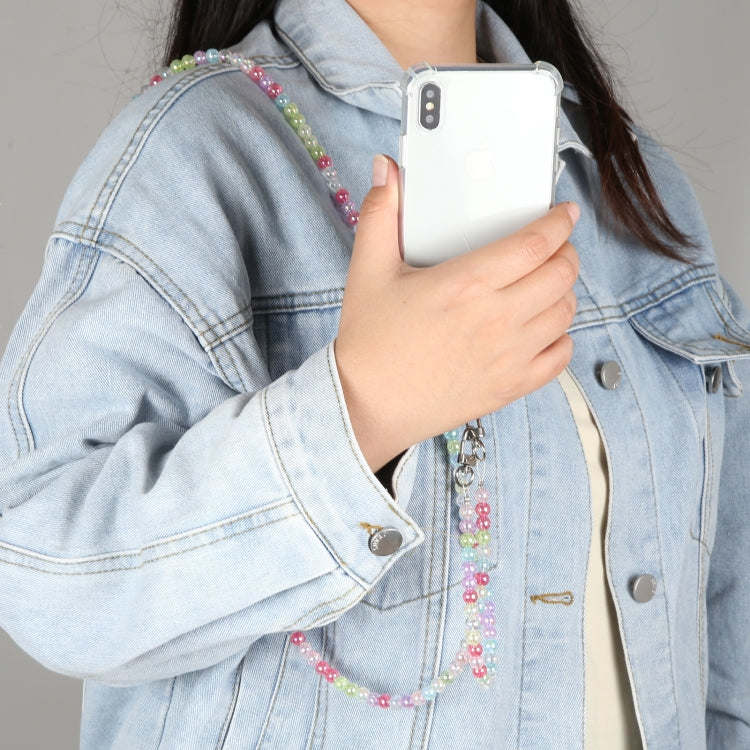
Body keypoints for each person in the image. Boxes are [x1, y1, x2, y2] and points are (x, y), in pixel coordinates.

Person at [0, 0, 748, 747]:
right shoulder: (196, 148)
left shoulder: (627, 174)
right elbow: (43, 583)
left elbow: (724, 609)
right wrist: (364, 409)